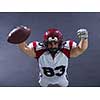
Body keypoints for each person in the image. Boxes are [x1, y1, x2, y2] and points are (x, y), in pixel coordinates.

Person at [18, 28, 88, 87]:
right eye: (50, 44)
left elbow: (80, 49)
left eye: (55, 43)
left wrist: (84, 39)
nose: (53, 46)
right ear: (45, 43)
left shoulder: (66, 49)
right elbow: (25, 49)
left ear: (60, 43)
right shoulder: (39, 50)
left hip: (62, 78)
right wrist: (20, 39)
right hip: (44, 79)